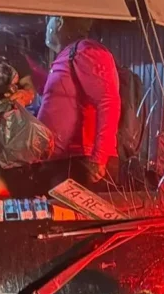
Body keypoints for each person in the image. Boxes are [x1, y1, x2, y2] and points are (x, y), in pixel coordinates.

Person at [37, 16, 121, 185]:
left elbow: (109, 101)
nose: (47, 26)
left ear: (60, 22)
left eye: (50, 18)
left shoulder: (85, 49)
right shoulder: (69, 54)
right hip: (64, 161)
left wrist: (99, 159)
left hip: (82, 162)